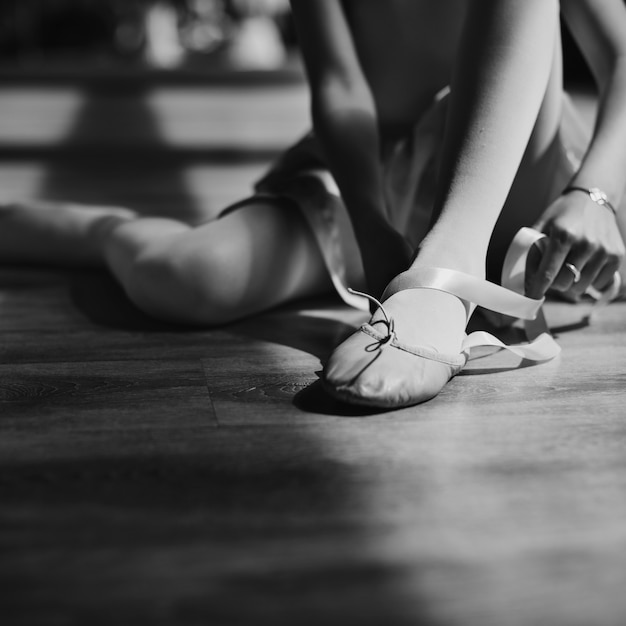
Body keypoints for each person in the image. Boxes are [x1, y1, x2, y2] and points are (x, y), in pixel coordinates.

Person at [1, 0, 625, 409]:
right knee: (188, 280)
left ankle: (450, 263)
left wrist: (593, 192)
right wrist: (370, 225)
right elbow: (340, 86)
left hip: (516, 158)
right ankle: (104, 232)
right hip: (374, 164)